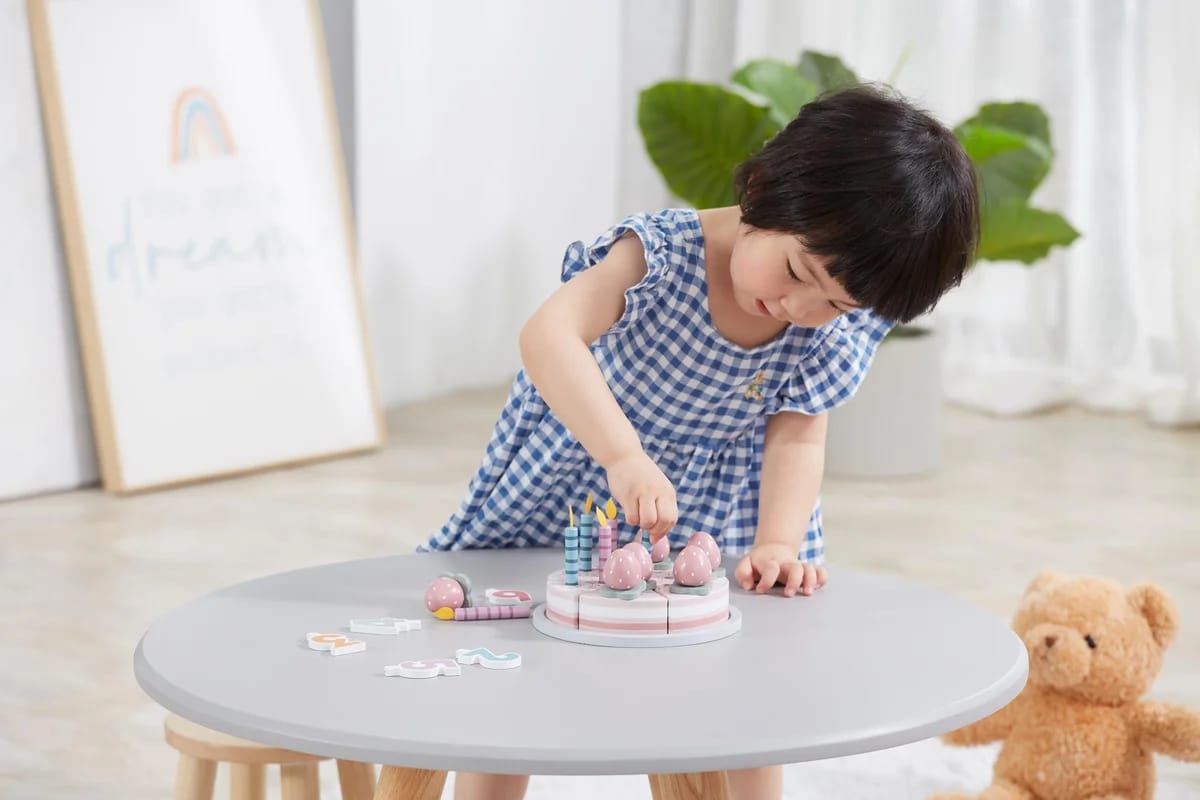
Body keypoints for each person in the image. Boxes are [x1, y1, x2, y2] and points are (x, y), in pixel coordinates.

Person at [424, 84, 980, 800]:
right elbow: (548, 334)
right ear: (761, 192)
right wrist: (623, 456)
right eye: (796, 275)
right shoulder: (658, 256)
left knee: (748, 690)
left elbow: (801, 430)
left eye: (838, 305)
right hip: (585, 475)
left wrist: (779, 542)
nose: (802, 310)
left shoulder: (827, 318)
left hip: (726, 504)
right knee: (517, 656)